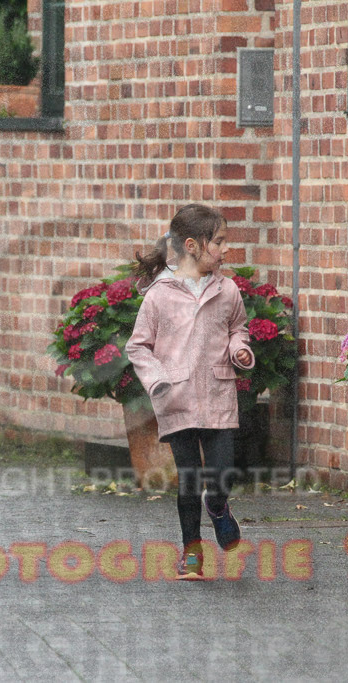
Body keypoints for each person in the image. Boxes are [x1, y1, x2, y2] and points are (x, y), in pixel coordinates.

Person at [125, 204, 255, 581]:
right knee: (189, 479)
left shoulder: (227, 289)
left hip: (217, 392)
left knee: (223, 473)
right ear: (192, 246)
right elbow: (138, 346)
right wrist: (156, 378)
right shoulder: (159, 295)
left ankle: (218, 506)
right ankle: (192, 553)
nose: (225, 249)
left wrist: (239, 350)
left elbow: (238, 329)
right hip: (175, 396)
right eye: (219, 241)